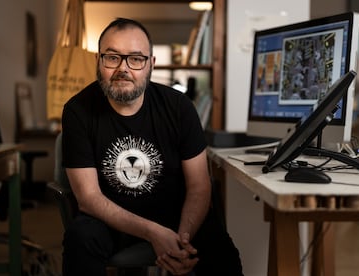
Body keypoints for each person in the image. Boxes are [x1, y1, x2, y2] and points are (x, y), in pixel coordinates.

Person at [61, 17, 243, 276]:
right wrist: (152, 232)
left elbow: (199, 186)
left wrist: (182, 238)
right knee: (80, 238)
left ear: (151, 65)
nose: (123, 68)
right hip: (110, 219)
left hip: (176, 215)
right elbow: (89, 199)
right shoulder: (78, 111)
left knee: (220, 250)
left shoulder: (179, 108)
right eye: (112, 57)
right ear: (98, 61)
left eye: (136, 59)